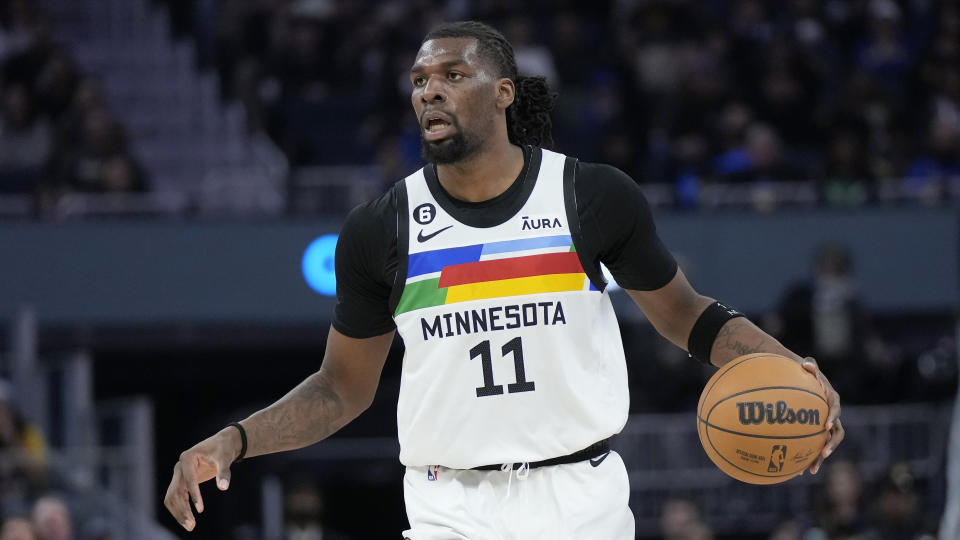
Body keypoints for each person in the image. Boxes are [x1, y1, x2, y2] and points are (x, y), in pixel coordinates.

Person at [164, 21, 844, 539]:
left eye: (453, 75)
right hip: (449, 506)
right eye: (419, 80)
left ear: (504, 94)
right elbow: (342, 389)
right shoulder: (382, 228)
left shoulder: (589, 195)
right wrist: (237, 437)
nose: (428, 89)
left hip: (582, 498)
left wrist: (790, 369)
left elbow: (688, 318)